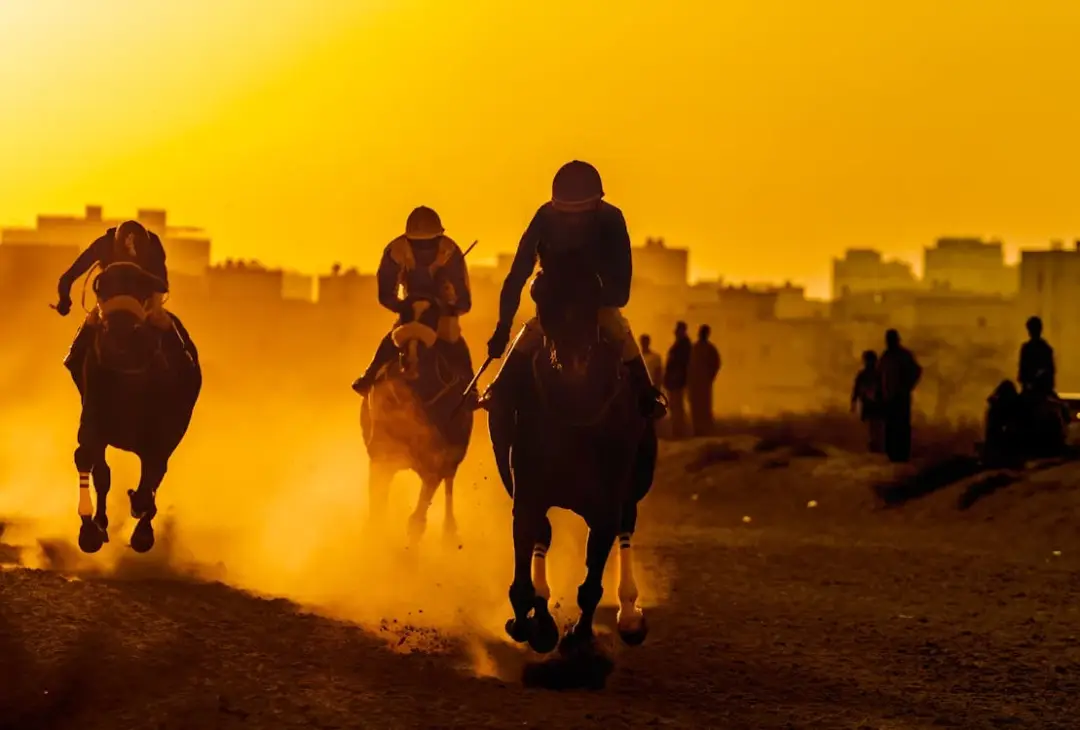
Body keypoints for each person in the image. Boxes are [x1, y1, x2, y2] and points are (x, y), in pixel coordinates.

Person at [481, 160, 667, 419]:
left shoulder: (612, 219)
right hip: (552, 307)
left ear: (596, 206)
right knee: (529, 335)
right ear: (556, 207)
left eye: (580, 216)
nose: (573, 222)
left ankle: (647, 395)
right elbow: (516, 276)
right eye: (567, 216)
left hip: (597, 306)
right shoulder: (544, 217)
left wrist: (589, 299)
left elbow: (621, 290)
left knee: (618, 330)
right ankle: (499, 390)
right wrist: (502, 329)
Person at [351, 206, 472, 395]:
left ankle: (469, 390)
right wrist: (403, 306)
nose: (424, 250)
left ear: (438, 239)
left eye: (429, 244)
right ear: (408, 240)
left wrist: (447, 305)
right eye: (418, 245)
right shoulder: (395, 251)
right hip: (411, 309)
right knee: (396, 335)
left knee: (454, 341)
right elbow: (385, 293)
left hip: (442, 312)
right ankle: (370, 375)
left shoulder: (450, 252)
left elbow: (464, 300)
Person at [55, 220, 180, 388]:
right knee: (92, 323)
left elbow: (162, 285)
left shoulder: (154, 245)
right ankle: (183, 362)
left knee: (90, 327)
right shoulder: (104, 244)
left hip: (143, 302)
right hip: (109, 303)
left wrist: (64, 301)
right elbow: (68, 277)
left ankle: (183, 364)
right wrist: (64, 299)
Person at [877, 329, 922, 463]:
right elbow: (880, 375)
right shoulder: (886, 356)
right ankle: (892, 454)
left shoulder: (904, 355)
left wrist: (907, 386)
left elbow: (916, 371)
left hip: (901, 397)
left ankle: (902, 454)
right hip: (889, 397)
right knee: (890, 426)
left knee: (901, 425)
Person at [687, 324, 721, 436]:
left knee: (704, 408)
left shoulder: (709, 349)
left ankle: (706, 431)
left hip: (704, 384)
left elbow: (716, 364)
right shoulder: (694, 347)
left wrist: (709, 377)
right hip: (694, 383)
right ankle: (697, 430)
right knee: (696, 407)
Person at [663, 322, 693, 439]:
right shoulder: (680, 344)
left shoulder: (684, 345)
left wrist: (676, 376)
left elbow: (683, 364)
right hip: (674, 381)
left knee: (677, 408)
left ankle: (680, 432)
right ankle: (678, 431)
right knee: (675, 407)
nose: (675, 332)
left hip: (678, 381)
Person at [851, 350, 884, 453]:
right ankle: (874, 444)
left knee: (876, 425)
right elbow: (856, 389)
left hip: (876, 403)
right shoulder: (868, 375)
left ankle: (876, 444)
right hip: (870, 404)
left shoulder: (878, 374)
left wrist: (854, 402)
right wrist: (854, 402)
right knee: (872, 425)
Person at [1018, 315, 1055, 396]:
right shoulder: (1046, 349)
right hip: (1043, 391)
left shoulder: (1026, 349)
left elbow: (1022, 375)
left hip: (1035, 391)